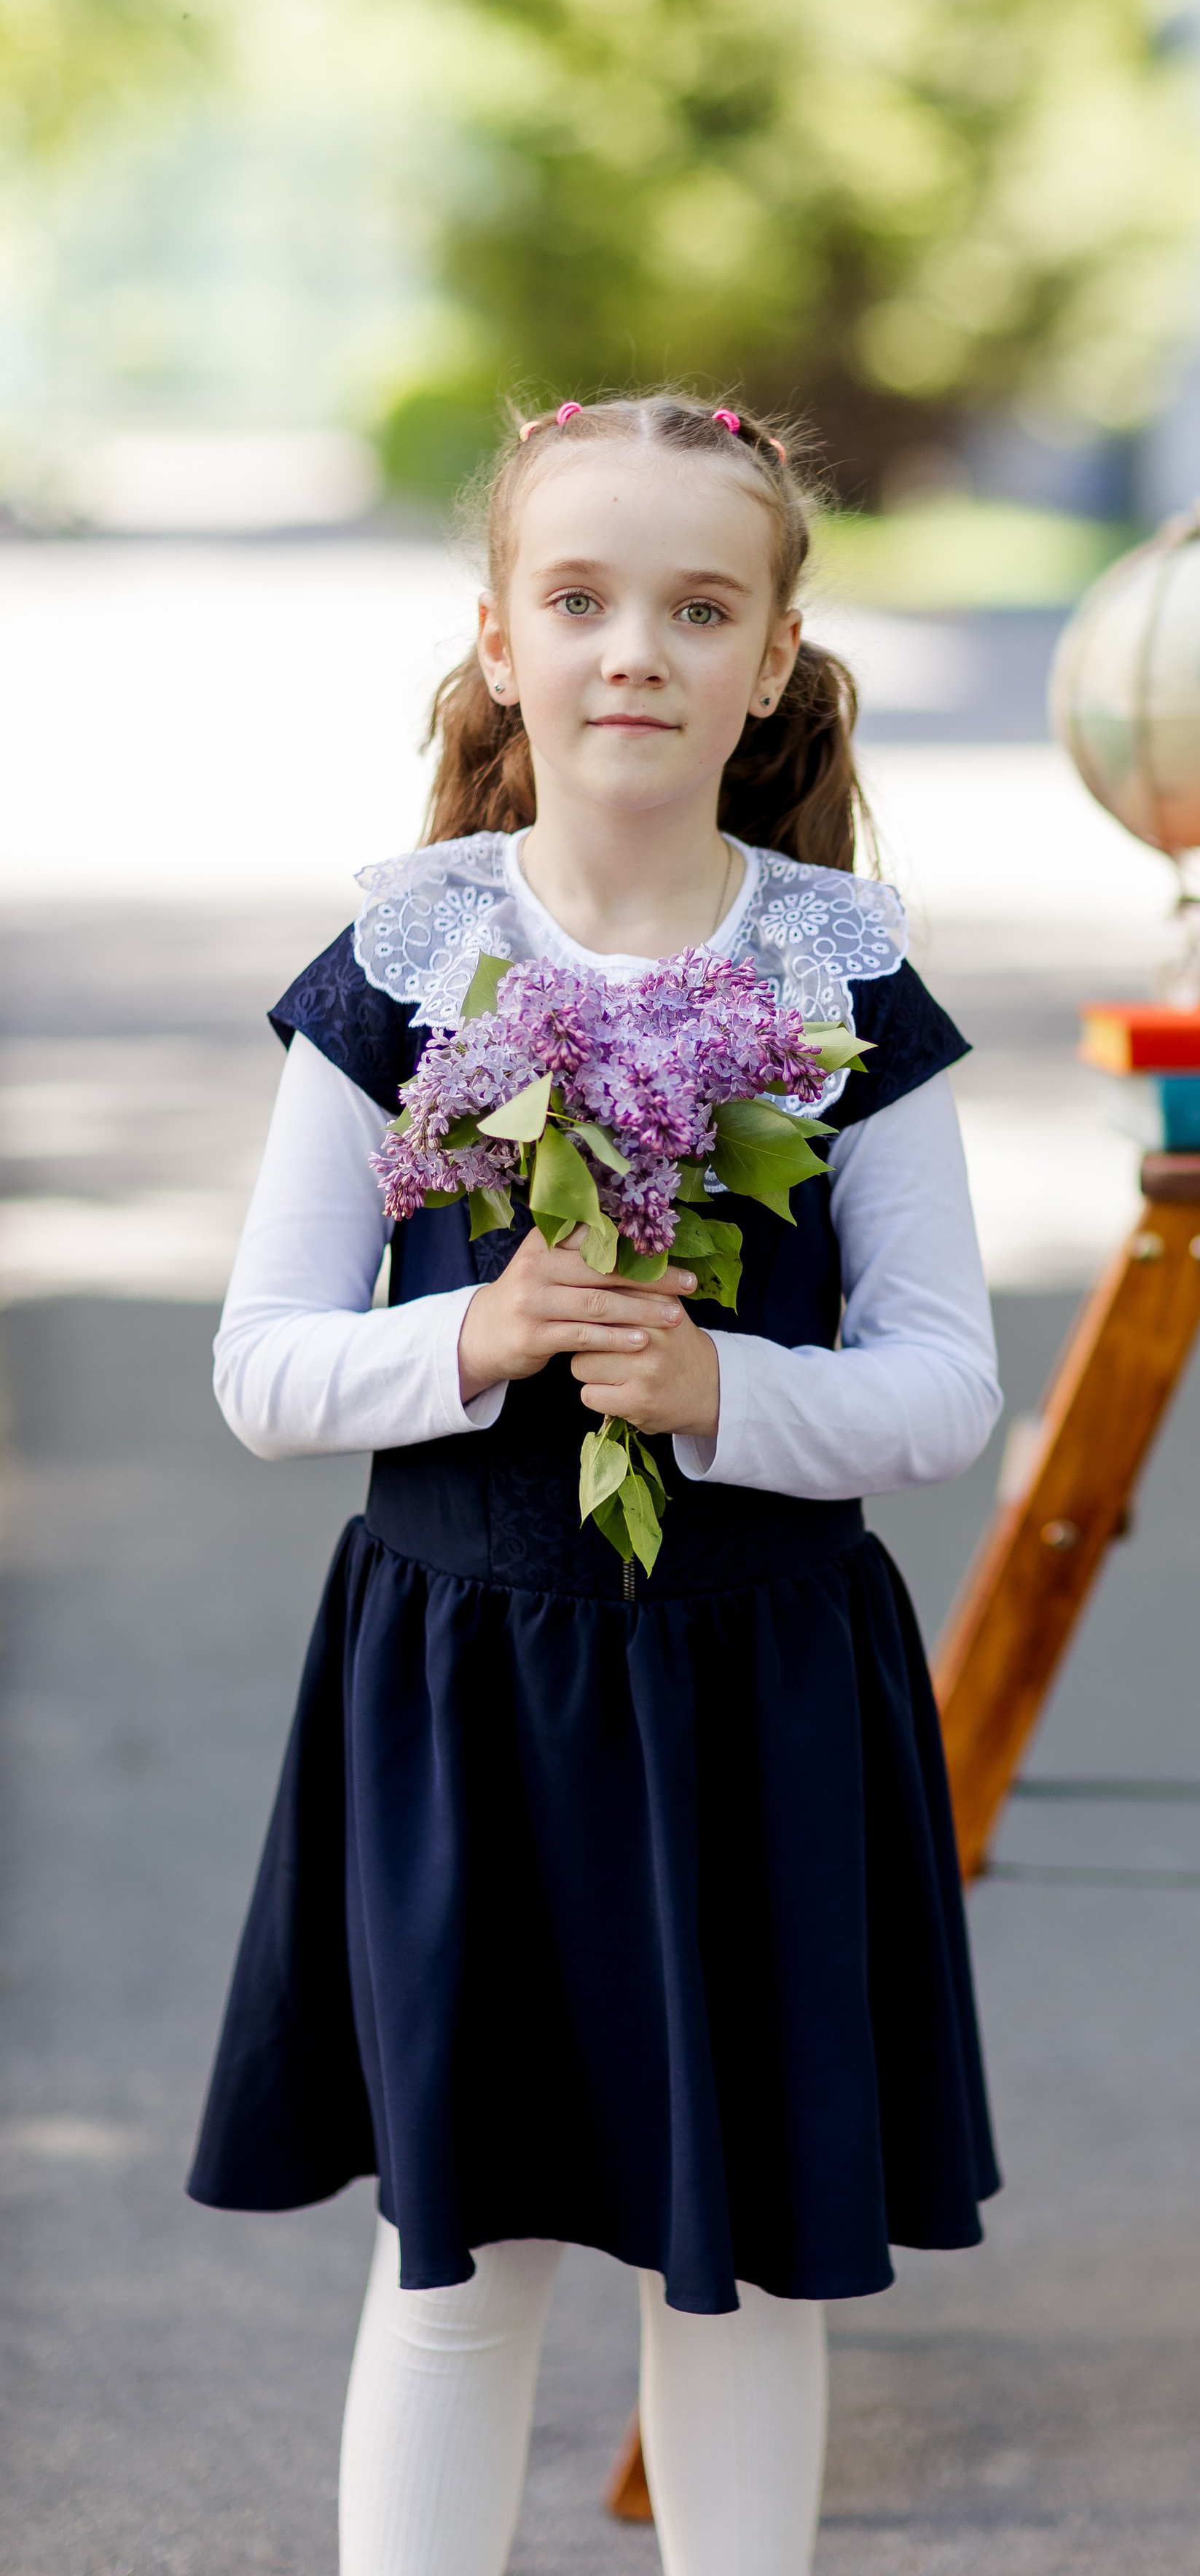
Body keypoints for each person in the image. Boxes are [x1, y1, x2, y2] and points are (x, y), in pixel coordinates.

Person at [188, 391, 1003, 2576]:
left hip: (762, 1697)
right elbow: (264, 1369)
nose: (634, 647)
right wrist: (478, 1335)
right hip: (467, 1698)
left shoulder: (841, 988)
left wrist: (722, 1389)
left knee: (729, 2269)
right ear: (497, 643)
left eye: (696, 605)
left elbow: (942, 1391)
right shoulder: (399, 970)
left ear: (772, 663)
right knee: (464, 2269)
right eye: (583, 598)